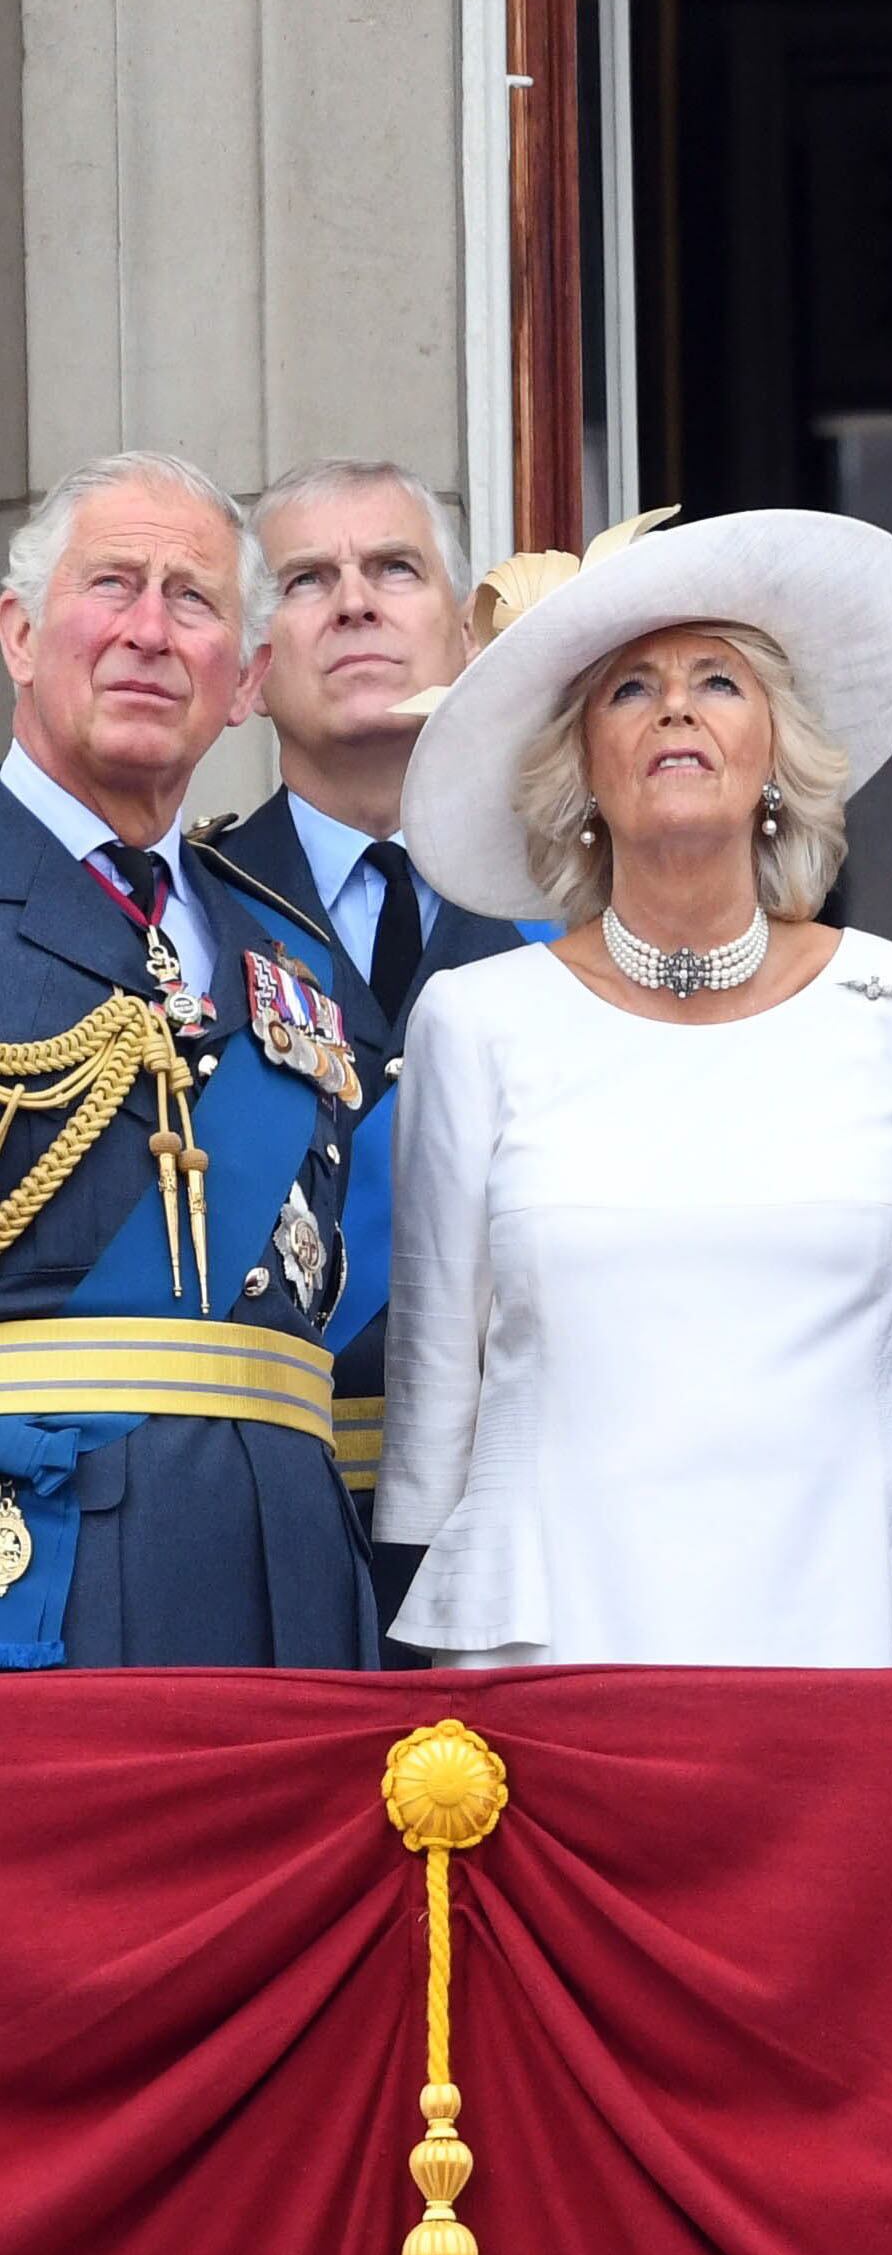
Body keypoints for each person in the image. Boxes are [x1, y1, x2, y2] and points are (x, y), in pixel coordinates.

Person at [377, 506, 892, 1664]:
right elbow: (435, 1403)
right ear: (580, 768)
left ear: (778, 751)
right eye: (630, 688)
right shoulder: (477, 1020)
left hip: (852, 1634)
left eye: (718, 680)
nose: (676, 706)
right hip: (561, 1652)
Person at [0, 451, 374, 1668]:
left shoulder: (294, 957)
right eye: (112, 584)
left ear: (248, 680)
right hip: (39, 1572)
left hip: (287, 1582)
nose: (149, 631)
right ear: (20, 633)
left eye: (194, 600)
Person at [190, 459, 526, 1573]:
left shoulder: (566, 924)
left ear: (468, 641)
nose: (355, 602)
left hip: (526, 1529)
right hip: (263, 1530)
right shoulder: (183, 920)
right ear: (248, 665)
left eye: (395, 567)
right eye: (305, 578)